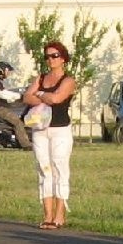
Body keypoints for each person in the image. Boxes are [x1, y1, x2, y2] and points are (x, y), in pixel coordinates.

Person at [23, 41, 76, 229]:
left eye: (54, 56)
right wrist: (43, 94)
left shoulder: (68, 80)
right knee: (44, 169)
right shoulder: (41, 77)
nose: (50, 59)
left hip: (60, 129)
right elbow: (27, 97)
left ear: (63, 58)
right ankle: (47, 214)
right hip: (40, 129)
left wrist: (41, 94)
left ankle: (60, 213)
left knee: (60, 168)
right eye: (47, 56)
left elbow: (57, 98)